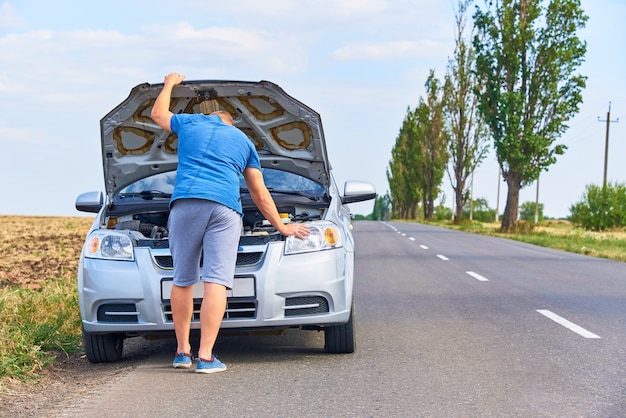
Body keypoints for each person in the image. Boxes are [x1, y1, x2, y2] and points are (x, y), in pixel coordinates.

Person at [151, 72, 310, 374]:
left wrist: (170, 83)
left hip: (185, 204)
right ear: (230, 122)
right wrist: (282, 227)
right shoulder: (244, 141)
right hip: (224, 209)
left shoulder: (190, 123)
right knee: (216, 281)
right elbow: (259, 193)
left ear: (211, 116)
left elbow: (157, 113)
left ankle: (182, 352)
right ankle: (206, 357)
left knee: (182, 279)